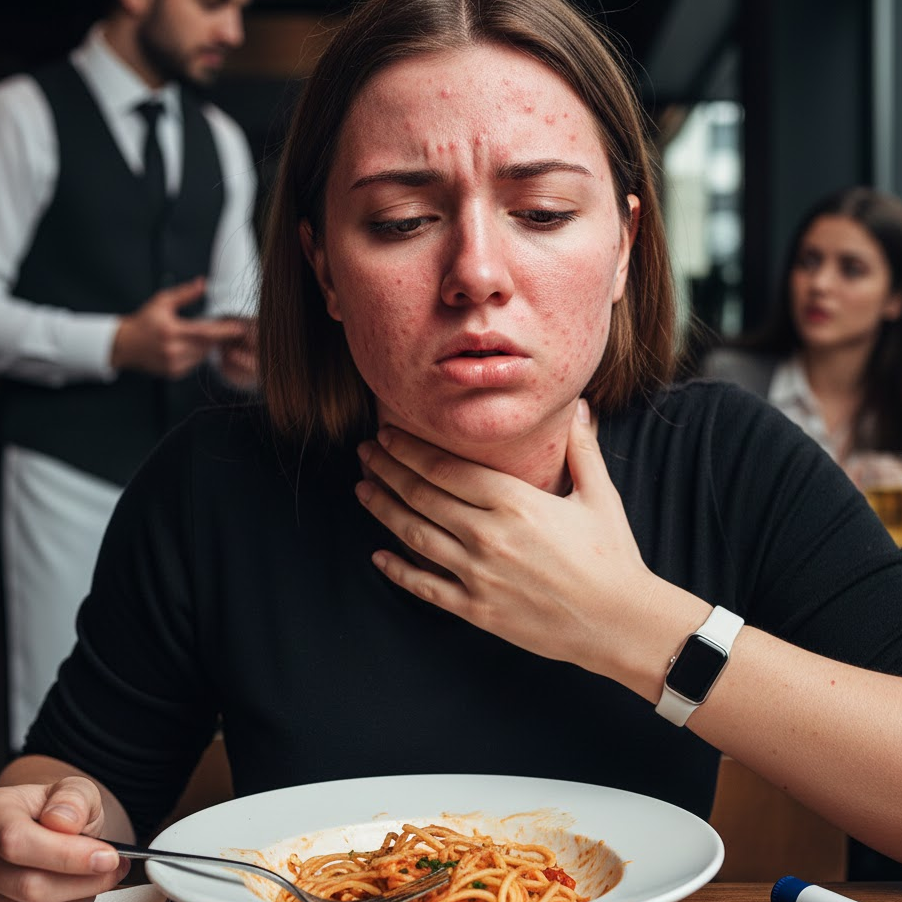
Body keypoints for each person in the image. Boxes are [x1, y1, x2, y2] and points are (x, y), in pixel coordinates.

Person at [1, 0, 902, 898]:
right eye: (401, 220)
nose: (476, 274)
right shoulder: (213, 484)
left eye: (543, 212)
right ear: (323, 269)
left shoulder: (727, 460)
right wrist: (49, 826)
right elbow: (79, 784)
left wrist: (634, 626)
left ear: (625, 245)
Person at [0, 0, 260, 750]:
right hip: (62, 471)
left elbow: (238, 299)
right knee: (56, 728)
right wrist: (113, 344)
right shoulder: (24, 115)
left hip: (185, 480)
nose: (232, 34)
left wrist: (248, 357)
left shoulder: (220, 139)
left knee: (182, 718)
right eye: (213, 7)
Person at [700, 187, 902, 490]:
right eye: (809, 262)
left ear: (894, 298)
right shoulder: (729, 380)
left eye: (851, 269)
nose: (819, 284)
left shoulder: (892, 404)